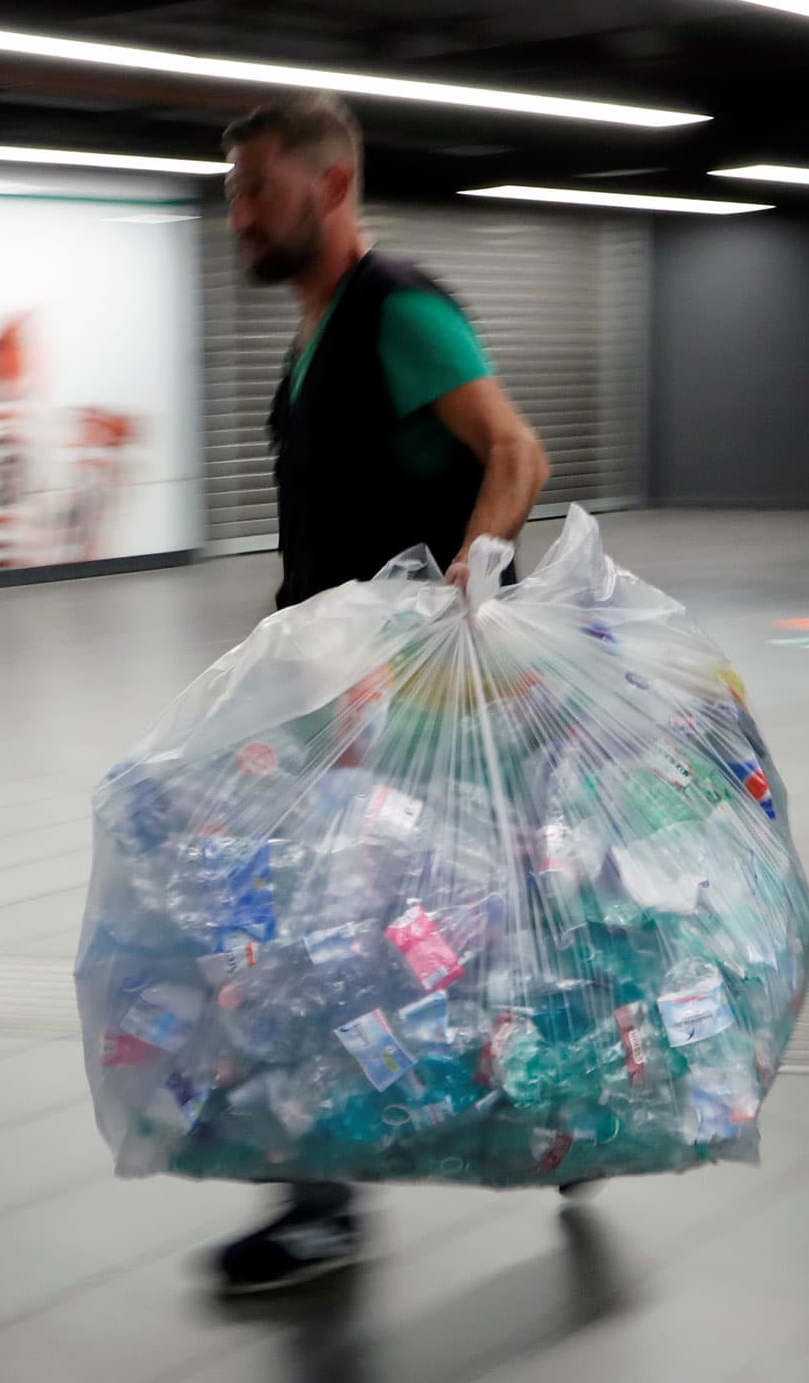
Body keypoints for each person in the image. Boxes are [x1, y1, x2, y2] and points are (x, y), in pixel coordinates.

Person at [211, 91, 553, 1294]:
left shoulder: (396, 309)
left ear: (333, 185)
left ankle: (324, 1208)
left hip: (411, 696)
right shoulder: (313, 338)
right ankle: (534, 1119)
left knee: (333, 943)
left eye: (259, 189)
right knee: (354, 936)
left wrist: (482, 561)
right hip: (329, 690)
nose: (239, 215)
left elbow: (514, 448)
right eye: (232, 193)